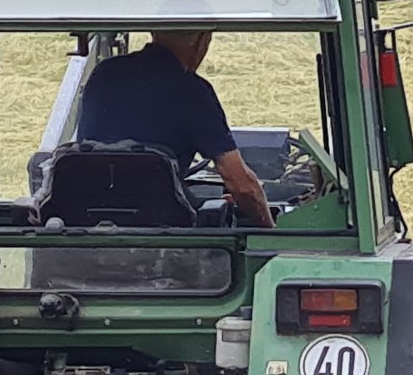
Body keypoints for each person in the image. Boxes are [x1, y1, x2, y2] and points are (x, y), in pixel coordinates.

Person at [76, 31, 274, 228]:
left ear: (153, 32)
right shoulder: (193, 91)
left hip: (84, 220)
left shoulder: (104, 73)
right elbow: (241, 185)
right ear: (203, 40)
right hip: (161, 235)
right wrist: (269, 232)